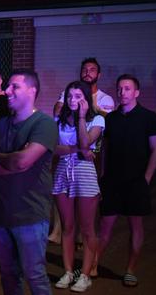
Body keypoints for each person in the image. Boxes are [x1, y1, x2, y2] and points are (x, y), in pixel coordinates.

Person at [0, 69, 58, 295]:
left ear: (32, 90)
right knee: (8, 276)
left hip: (30, 214)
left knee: (35, 276)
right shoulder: (0, 125)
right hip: (0, 214)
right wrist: (12, 161)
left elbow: (22, 161)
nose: (7, 91)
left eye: (14, 86)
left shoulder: (44, 124)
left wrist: (1, 158)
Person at [94, 74, 156, 288]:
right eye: (120, 89)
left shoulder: (149, 118)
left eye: (127, 89)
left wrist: (147, 178)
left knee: (136, 226)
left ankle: (130, 270)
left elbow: (155, 150)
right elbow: (105, 149)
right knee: (105, 227)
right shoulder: (111, 118)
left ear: (136, 92)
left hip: (136, 182)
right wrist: (103, 175)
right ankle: (92, 265)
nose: (122, 92)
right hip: (112, 181)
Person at [52, 81, 104, 292]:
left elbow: (86, 143)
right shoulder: (59, 120)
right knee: (67, 226)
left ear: (85, 98)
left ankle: (85, 274)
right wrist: (76, 150)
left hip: (84, 173)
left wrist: (82, 117)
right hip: (63, 172)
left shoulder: (97, 119)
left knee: (87, 228)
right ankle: (67, 271)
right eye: (70, 96)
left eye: (78, 96)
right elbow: (54, 148)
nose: (73, 100)